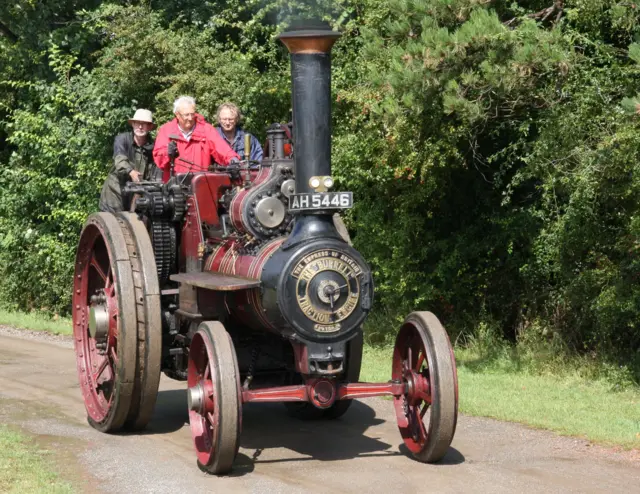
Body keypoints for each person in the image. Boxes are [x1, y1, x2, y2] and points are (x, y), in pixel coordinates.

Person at [153, 96, 240, 182]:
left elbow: (222, 149)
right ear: (177, 115)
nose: (190, 118)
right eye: (186, 115)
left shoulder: (206, 130)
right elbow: (158, 158)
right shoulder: (166, 130)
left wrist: (233, 160)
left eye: (192, 114)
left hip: (201, 185)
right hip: (174, 186)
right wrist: (167, 153)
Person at [99, 109, 157, 213]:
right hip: (116, 191)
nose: (140, 127)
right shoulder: (122, 139)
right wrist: (131, 172)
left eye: (144, 124)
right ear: (133, 124)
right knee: (115, 224)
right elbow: (120, 161)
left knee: (136, 223)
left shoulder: (154, 146)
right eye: (138, 123)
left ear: (150, 127)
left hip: (137, 193)